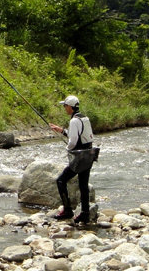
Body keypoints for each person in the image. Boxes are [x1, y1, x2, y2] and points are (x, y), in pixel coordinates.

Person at [49, 95, 94, 223]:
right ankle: (85, 213)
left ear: (69, 106)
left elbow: (73, 140)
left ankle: (67, 210)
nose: (64, 108)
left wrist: (68, 149)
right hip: (89, 154)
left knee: (61, 181)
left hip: (79, 157)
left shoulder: (74, 121)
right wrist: (60, 130)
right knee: (83, 185)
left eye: (65, 106)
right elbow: (80, 135)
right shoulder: (84, 118)